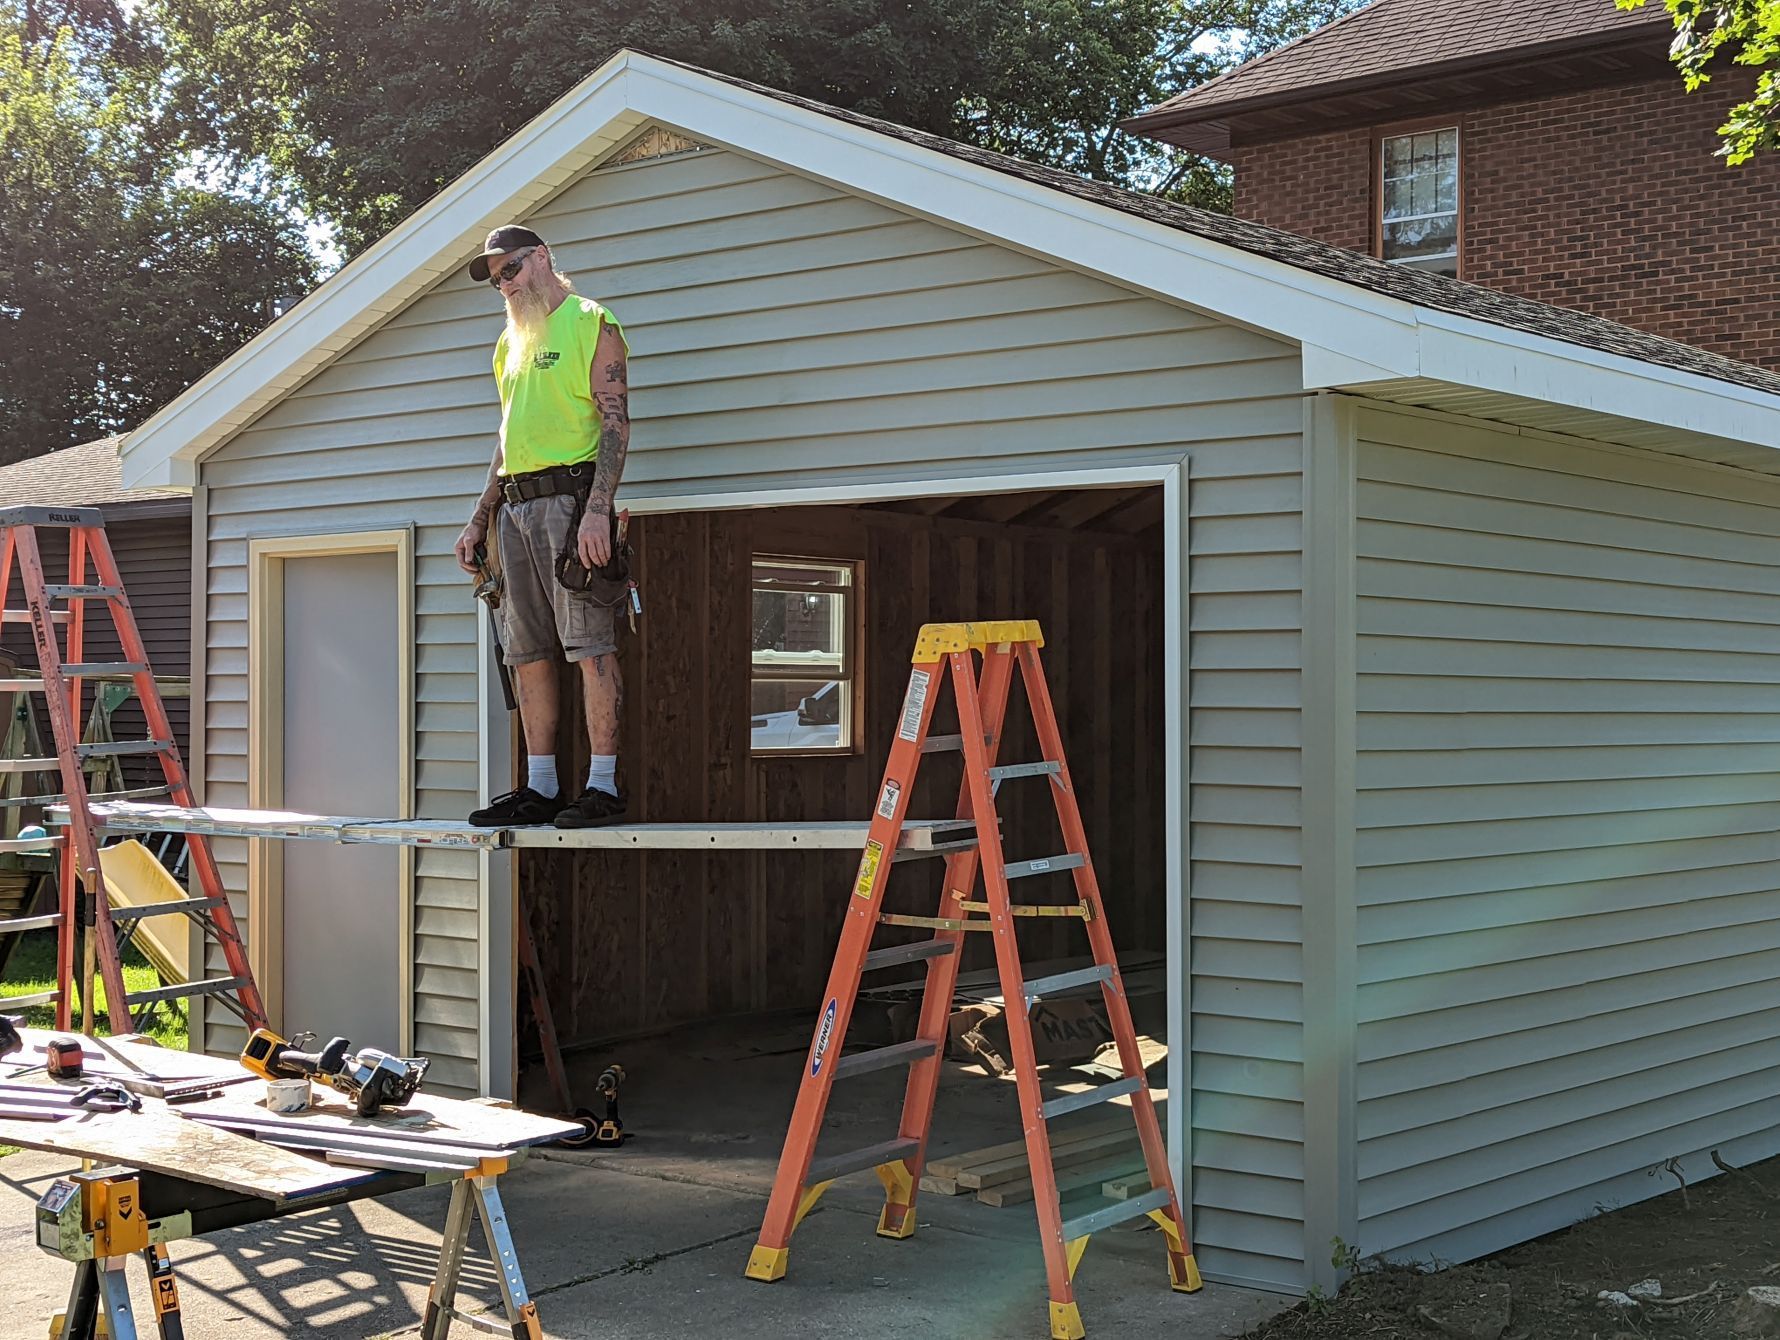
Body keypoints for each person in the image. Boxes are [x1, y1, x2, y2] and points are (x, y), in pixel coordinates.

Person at [454, 225, 630, 829]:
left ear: (544, 257)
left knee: (589, 644)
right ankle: (543, 788)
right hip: (514, 508)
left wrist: (599, 508)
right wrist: (479, 517)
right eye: (496, 277)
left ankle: (602, 788)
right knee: (525, 651)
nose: (504, 284)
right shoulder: (508, 346)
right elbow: (506, 444)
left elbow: (614, 422)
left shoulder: (590, 321)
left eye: (512, 269)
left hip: (572, 500)